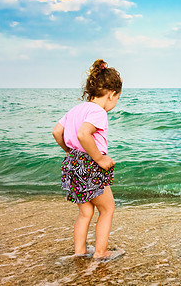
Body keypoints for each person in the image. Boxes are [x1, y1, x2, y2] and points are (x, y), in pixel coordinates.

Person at [52, 59, 124, 261]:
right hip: (90, 164)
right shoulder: (98, 112)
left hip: (72, 163)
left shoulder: (76, 110)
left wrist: (70, 152)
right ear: (111, 93)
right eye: (117, 98)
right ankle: (100, 253)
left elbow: (57, 131)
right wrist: (99, 158)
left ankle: (80, 251)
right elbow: (85, 134)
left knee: (85, 212)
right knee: (107, 208)